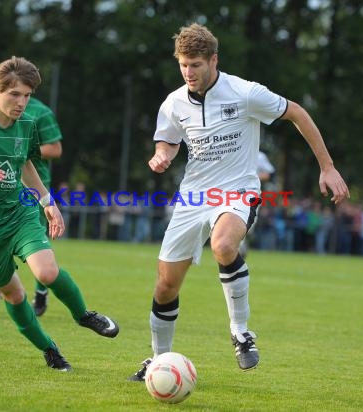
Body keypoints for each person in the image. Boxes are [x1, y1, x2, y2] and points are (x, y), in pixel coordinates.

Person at [128, 23, 349, 381]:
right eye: (183, 65)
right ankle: (158, 360)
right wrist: (162, 155)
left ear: (213, 60)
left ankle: (241, 333)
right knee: (166, 285)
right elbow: (167, 140)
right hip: (194, 196)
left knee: (224, 244)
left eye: (196, 64)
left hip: (237, 190)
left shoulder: (245, 93)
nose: (189, 72)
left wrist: (327, 167)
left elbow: (297, 113)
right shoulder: (173, 102)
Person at [0, 56, 119, 371]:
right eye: (14, 95)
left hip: (17, 212)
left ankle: (83, 314)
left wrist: (48, 202)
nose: (22, 103)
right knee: (14, 294)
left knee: (46, 272)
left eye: (27, 95)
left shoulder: (27, 125)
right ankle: (49, 349)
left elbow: (25, 164)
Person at [0, 96, 63, 316]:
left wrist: (20, 148)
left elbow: (55, 149)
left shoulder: (40, 112)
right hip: (2, 184)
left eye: (24, 93)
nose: (19, 99)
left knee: (37, 240)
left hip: (33, 187)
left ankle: (41, 292)